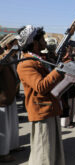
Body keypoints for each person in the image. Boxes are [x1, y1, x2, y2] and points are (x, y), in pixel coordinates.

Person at [16, 25, 65, 165]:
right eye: (42, 38)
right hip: (41, 112)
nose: (45, 40)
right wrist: (59, 70)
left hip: (50, 109)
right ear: (34, 42)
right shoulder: (25, 64)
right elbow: (41, 87)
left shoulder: (38, 59)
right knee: (43, 155)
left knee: (53, 153)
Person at [0, 33, 20, 163]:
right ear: (8, 44)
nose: (17, 45)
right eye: (14, 43)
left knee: (11, 125)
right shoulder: (2, 58)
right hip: (2, 98)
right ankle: (3, 153)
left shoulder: (11, 57)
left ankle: (11, 147)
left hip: (11, 95)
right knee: (3, 128)